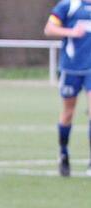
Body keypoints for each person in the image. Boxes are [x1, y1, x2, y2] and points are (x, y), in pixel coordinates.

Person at [44, 0, 91, 177]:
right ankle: (63, 153)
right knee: (68, 112)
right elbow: (49, 29)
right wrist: (71, 32)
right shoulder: (68, 6)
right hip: (71, 68)